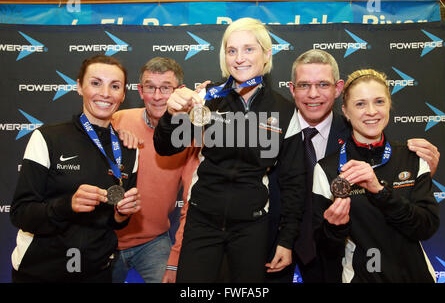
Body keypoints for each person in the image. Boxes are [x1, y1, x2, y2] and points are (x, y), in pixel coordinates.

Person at [153, 17, 306, 282]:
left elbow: (294, 181)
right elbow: (166, 147)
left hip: (252, 227)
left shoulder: (285, 109)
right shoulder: (207, 98)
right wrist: (170, 114)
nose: (239, 58)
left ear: (267, 54)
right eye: (231, 50)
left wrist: (286, 240)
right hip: (202, 221)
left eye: (249, 49)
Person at [267, 49, 441, 283]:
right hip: (280, 248)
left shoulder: (395, 149)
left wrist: (417, 177)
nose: (313, 94)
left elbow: (423, 223)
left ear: (338, 90)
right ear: (292, 88)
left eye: (323, 85)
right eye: (304, 85)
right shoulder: (269, 128)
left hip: (364, 263)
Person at [10, 55, 141, 282]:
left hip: (96, 271)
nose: (105, 93)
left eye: (115, 86)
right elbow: (21, 214)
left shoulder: (129, 149)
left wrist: (121, 214)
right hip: (41, 271)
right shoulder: (48, 137)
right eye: (96, 83)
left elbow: (115, 222)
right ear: (79, 87)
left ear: (122, 95)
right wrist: (67, 205)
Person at [312, 68, 440, 282]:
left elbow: (426, 227)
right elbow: (325, 249)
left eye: (379, 101)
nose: (371, 111)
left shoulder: (413, 158)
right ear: (345, 110)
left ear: (389, 105)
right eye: (360, 104)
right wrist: (335, 227)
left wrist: (380, 191)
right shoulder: (326, 169)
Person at [111, 57, 199, 283]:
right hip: (106, 237)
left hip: (154, 241)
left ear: (179, 91)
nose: (157, 96)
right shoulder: (116, 120)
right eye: (150, 87)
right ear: (140, 91)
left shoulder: (190, 136)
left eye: (166, 88)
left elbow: (191, 201)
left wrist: (176, 257)